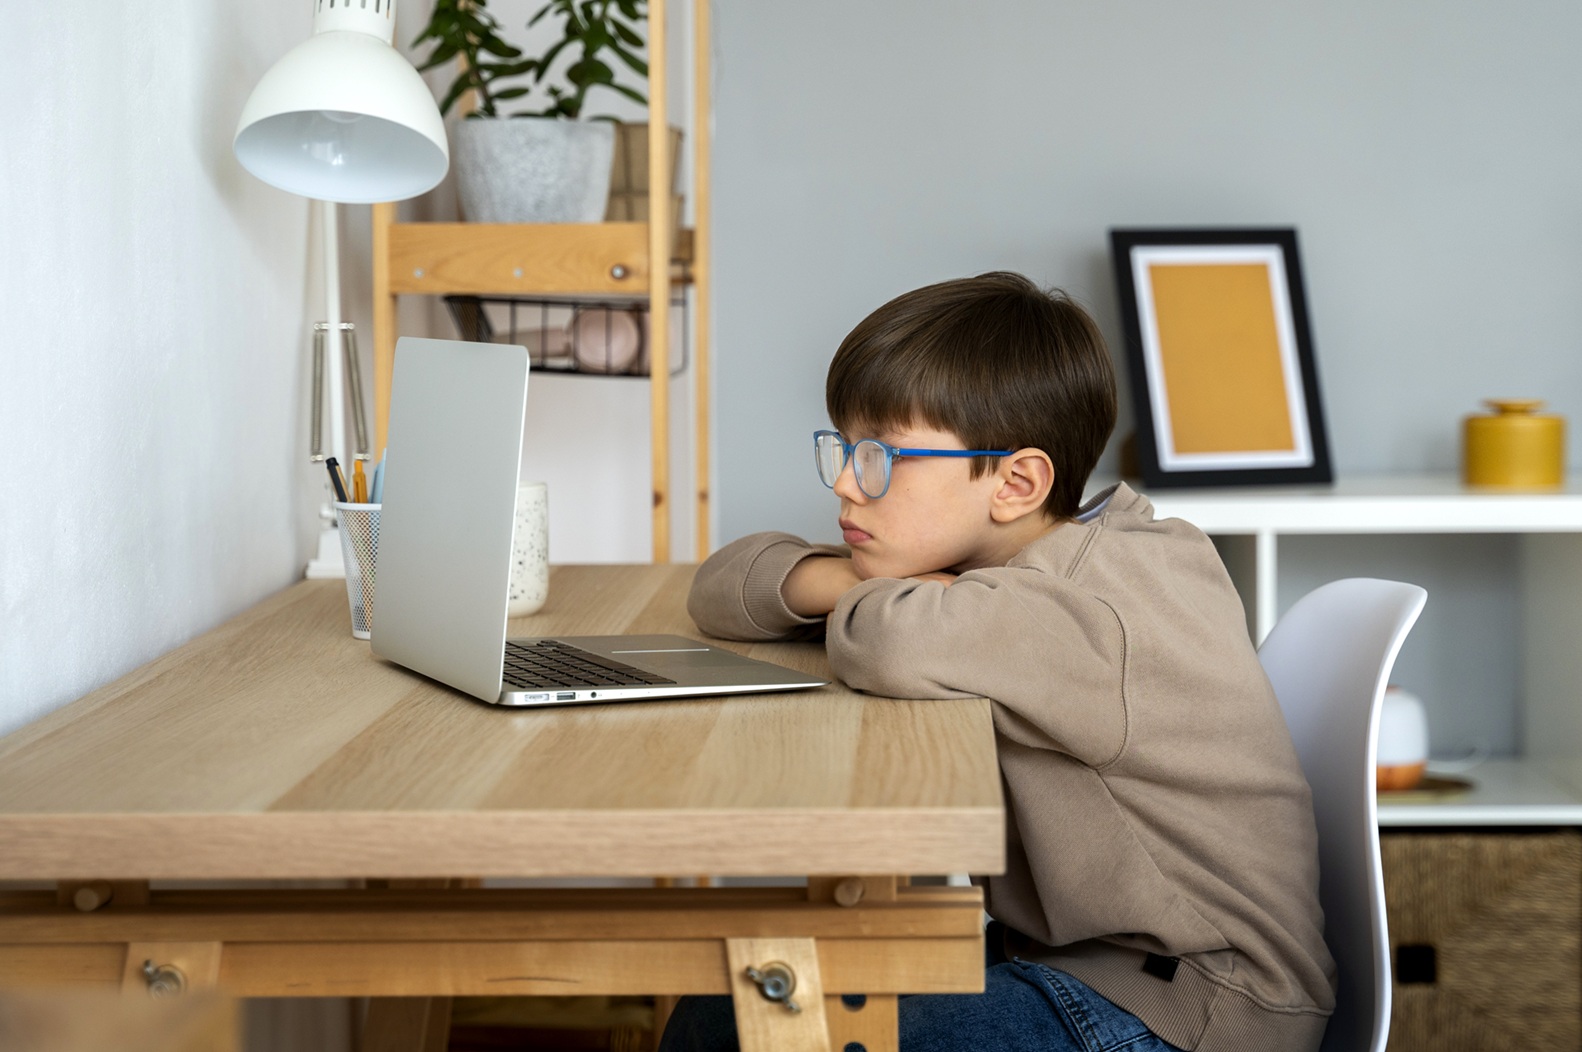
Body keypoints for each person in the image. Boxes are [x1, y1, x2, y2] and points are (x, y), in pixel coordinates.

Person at [667, 272, 1336, 1052]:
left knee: (753, 1033)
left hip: (1187, 1008)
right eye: (845, 448)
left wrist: (889, 595)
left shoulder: (1100, 599)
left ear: (1017, 482)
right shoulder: (1010, 577)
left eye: (882, 456)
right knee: (723, 1008)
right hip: (1086, 963)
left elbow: (893, 641)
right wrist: (870, 580)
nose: (848, 482)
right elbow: (722, 587)